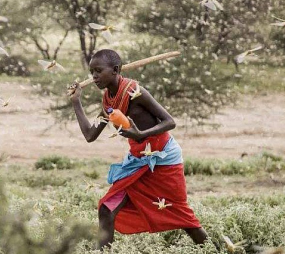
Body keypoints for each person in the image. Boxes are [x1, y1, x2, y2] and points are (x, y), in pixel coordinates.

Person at [69, 49, 208, 250]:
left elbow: (169, 122)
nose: (94, 77)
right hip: (138, 161)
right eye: (92, 72)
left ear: (115, 70)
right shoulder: (109, 101)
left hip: (164, 159)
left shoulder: (135, 92)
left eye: (99, 71)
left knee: (182, 216)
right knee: (107, 209)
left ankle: (212, 249)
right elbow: (90, 135)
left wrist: (141, 135)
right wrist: (76, 103)